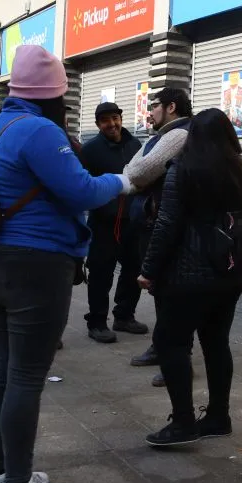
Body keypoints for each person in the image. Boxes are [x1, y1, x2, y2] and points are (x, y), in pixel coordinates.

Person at [0, 45, 131, 483]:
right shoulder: (40, 130)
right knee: (25, 377)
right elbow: (81, 190)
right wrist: (122, 180)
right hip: (37, 266)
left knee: (3, 370)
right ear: (54, 93)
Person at [138, 109, 242, 447]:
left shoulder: (182, 169)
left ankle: (183, 422)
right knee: (216, 342)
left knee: (170, 342)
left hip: (187, 274)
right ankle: (218, 416)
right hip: (229, 272)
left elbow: (166, 224)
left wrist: (148, 269)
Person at [123, 88, 193, 387]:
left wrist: (135, 179)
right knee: (160, 293)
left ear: (171, 107)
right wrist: (134, 177)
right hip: (152, 223)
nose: (149, 112)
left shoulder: (179, 135)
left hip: (166, 226)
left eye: (154, 106)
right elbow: (131, 170)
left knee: (171, 295)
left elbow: (137, 172)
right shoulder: (160, 136)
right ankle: (162, 347)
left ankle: (177, 359)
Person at [80, 102, 145, 344]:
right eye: (106, 120)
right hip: (103, 223)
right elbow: (83, 185)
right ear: (98, 124)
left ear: (121, 118)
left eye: (115, 118)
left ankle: (124, 315)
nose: (112, 124)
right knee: (101, 274)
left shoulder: (135, 145)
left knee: (134, 269)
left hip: (133, 221)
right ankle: (97, 322)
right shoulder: (90, 150)